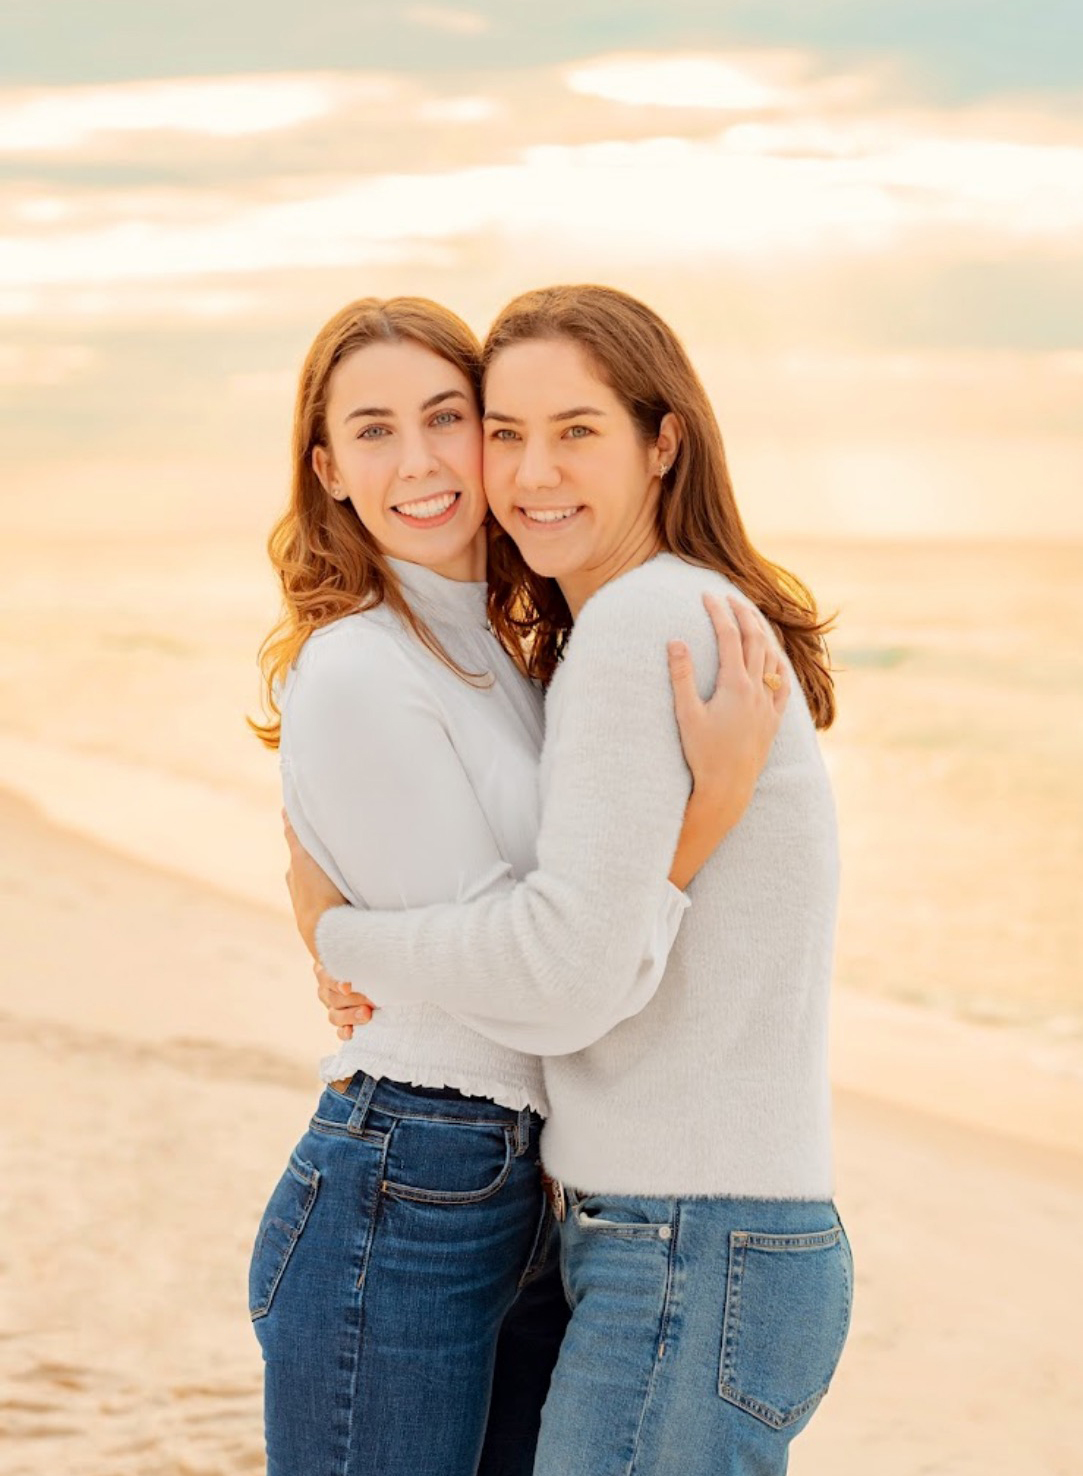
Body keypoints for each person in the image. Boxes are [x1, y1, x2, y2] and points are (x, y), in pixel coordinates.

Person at [286, 284, 852, 1476]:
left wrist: (343, 936)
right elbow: (577, 942)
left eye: (578, 430)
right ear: (327, 466)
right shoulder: (623, 628)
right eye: (508, 431)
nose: (531, 470)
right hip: (693, 1232)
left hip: (688, 1238)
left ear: (664, 442)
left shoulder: (638, 625)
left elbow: (561, 967)